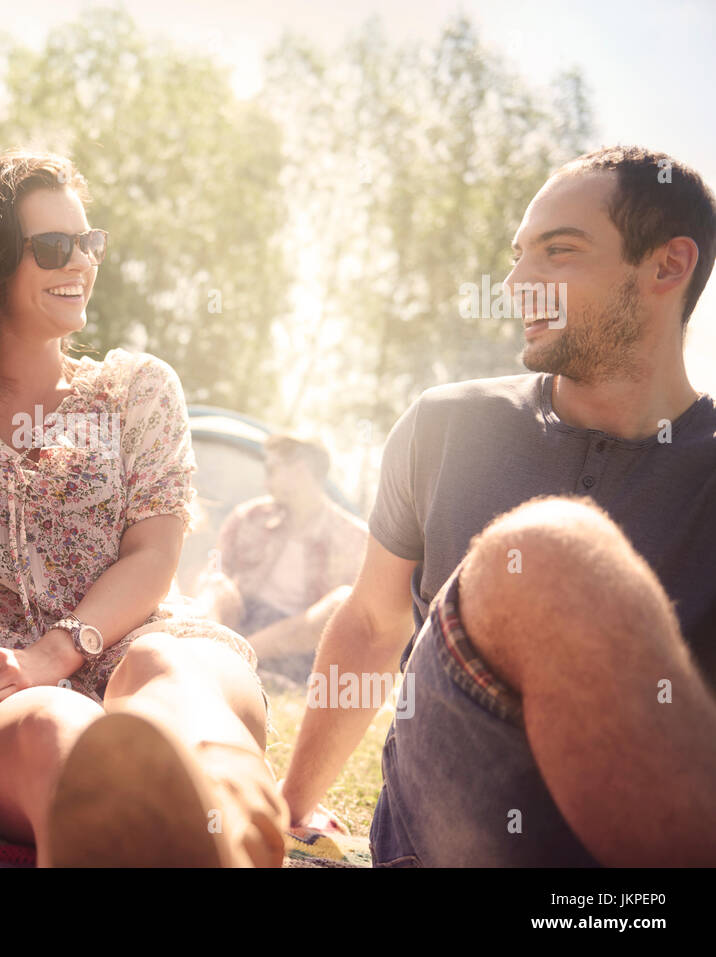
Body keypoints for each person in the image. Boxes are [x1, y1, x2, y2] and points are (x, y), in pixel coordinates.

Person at [282, 146, 716, 866]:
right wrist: (293, 803)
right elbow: (372, 622)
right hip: (440, 832)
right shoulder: (446, 425)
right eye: (518, 257)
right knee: (543, 554)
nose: (515, 284)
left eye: (558, 252)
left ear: (667, 267)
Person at [0, 151, 288, 867]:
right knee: (56, 726)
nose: (80, 261)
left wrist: (52, 654)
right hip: (2, 693)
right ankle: (154, 833)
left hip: (143, 641)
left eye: (88, 242)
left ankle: (228, 827)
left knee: (167, 667)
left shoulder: (137, 391)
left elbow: (154, 556)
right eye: (52, 246)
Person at [198, 433, 367, 681]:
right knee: (215, 584)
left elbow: (359, 618)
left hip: (300, 643)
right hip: (242, 617)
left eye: (272, 470)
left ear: (299, 471)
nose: (266, 483)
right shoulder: (250, 516)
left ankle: (235, 656)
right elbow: (216, 564)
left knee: (342, 601)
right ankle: (207, 647)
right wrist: (217, 581)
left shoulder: (355, 537)